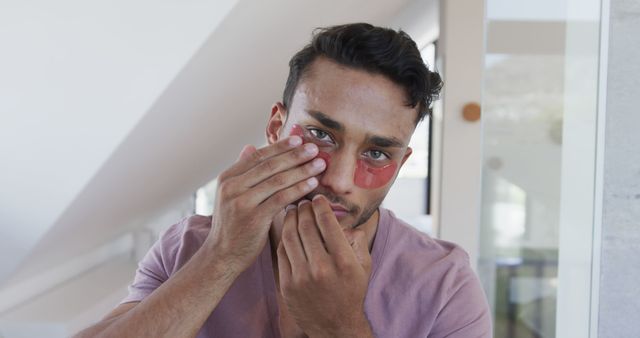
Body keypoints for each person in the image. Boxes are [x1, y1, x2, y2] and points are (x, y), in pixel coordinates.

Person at [75, 23, 491, 338]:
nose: (340, 180)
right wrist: (221, 258)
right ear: (276, 126)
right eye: (321, 135)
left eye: (377, 152)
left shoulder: (443, 284)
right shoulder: (190, 248)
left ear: (401, 163)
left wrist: (339, 326)